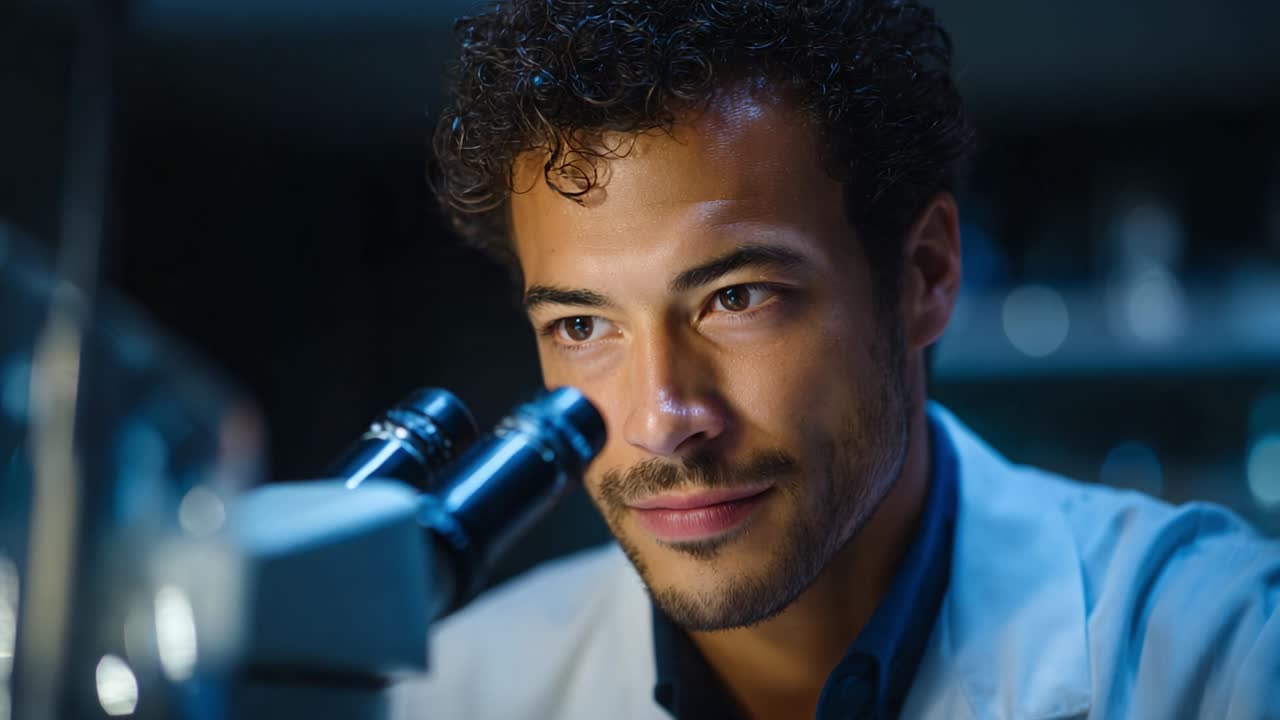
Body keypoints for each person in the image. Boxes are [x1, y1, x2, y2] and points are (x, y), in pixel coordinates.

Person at [394, 1, 1280, 718]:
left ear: (925, 275)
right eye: (584, 325)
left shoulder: (1224, 657)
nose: (662, 419)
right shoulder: (449, 694)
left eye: (736, 298)